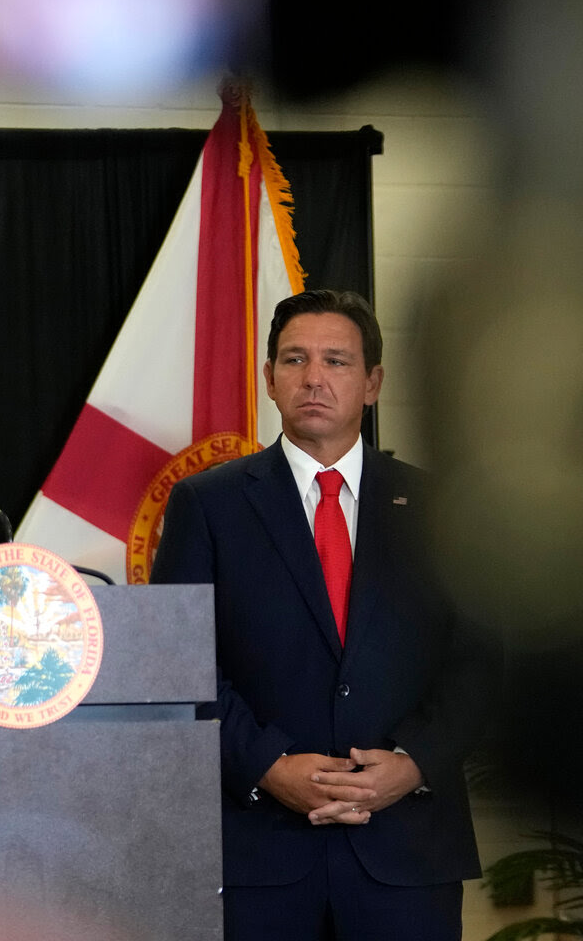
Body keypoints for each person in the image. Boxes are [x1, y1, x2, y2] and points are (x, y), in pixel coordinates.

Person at [150, 289, 495, 941]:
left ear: (373, 383)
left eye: (337, 361)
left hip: (408, 851)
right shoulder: (208, 504)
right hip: (258, 851)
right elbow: (179, 665)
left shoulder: (443, 509)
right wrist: (268, 766)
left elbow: (477, 662)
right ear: (270, 381)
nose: (314, 377)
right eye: (294, 360)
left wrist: (415, 761)